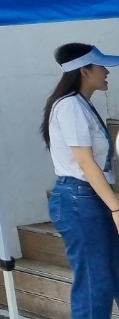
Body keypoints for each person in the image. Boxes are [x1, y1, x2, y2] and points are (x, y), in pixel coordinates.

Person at [42, 42, 119, 319]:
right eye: (101, 66)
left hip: (90, 197)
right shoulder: (70, 106)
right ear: (84, 71)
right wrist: (116, 208)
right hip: (79, 200)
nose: (107, 72)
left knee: (112, 273)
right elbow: (86, 162)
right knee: (94, 283)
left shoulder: (80, 104)